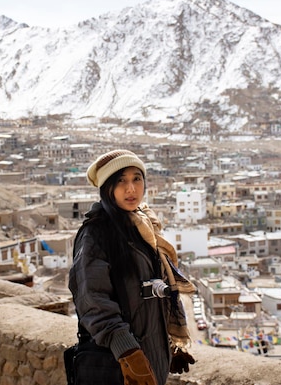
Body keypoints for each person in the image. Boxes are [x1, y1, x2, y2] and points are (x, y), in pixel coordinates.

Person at [68, 149, 196, 385]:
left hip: (150, 360)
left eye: (137, 179)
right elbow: (93, 300)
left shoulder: (143, 229)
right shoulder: (97, 234)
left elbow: (155, 299)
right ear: (107, 188)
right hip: (118, 365)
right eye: (121, 181)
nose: (131, 189)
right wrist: (128, 353)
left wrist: (167, 347)